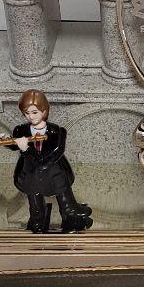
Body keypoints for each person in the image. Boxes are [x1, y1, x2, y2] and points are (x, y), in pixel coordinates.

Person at [9, 89, 92, 233]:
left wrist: (27, 149)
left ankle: (71, 220)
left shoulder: (57, 131)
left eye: (35, 112)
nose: (31, 117)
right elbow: (14, 146)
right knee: (34, 199)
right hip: (30, 171)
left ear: (44, 111)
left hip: (54, 171)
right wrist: (8, 141)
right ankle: (37, 223)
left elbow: (54, 154)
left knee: (64, 199)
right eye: (27, 113)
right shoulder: (20, 130)